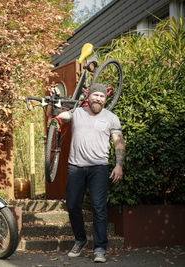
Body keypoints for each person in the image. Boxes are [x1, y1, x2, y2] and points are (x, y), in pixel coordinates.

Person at [54, 83, 126, 263]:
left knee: (99, 207)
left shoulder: (111, 118)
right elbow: (59, 116)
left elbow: (118, 143)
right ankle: (80, 239)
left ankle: (100, 248)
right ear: (89, 96)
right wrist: (54, 102)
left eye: (102, 97)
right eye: (95, 95)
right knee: (72, 205)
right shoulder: (78, 112)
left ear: (105, 99)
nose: (98, 99)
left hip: (99, 168)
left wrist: (119, 165)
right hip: (76, 167)